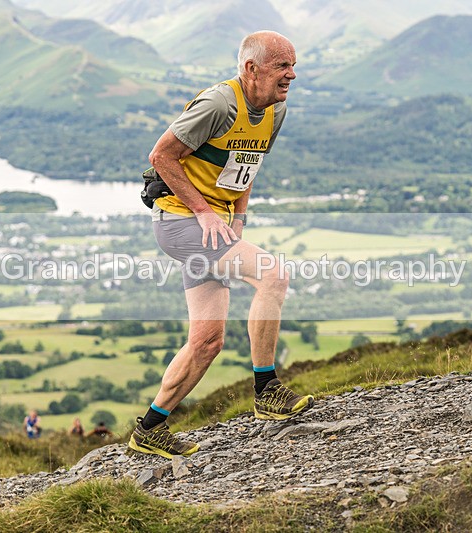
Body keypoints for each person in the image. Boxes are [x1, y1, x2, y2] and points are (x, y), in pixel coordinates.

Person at [129, 30, 313, 460]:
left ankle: (150, 429)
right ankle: (266, 390)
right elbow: (161, 156)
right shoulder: (218, 104)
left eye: (293, 65)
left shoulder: (275, 110)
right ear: (251, 68)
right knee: (273, 275)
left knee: (207, 341)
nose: (292, 75)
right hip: (181, 221)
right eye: (282, 66)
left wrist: (238, 219)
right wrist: (204, 212)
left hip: (215, 228)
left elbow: (246, 168)